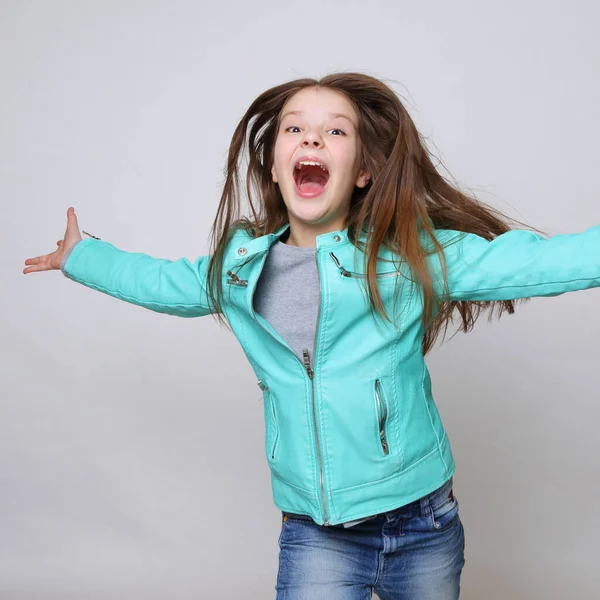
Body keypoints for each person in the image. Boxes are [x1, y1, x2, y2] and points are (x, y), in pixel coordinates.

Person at [23, 72, 600, 599]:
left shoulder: (401, 259)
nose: (313, 140)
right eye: (295, 129)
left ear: (364, 172)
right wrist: (83, 256)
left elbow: (530, 263)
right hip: (316, 531)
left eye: (335, 131)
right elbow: (164, 282)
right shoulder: (240, 269)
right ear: (275, 166)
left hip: (423, 520)